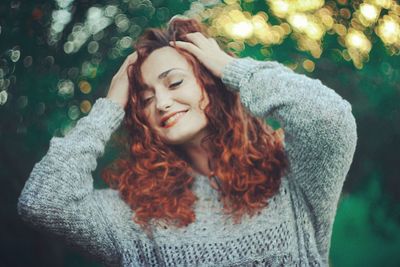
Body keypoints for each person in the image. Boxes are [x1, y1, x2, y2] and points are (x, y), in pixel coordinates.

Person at [17, 17, 357, 267]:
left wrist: (232, 68)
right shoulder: (136, 215)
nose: (161, 103)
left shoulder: (292, 176)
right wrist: (110, 106)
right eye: (145, 99)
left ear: (211, 83)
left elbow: (328, 117)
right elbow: (44, 201)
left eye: (174, 83)